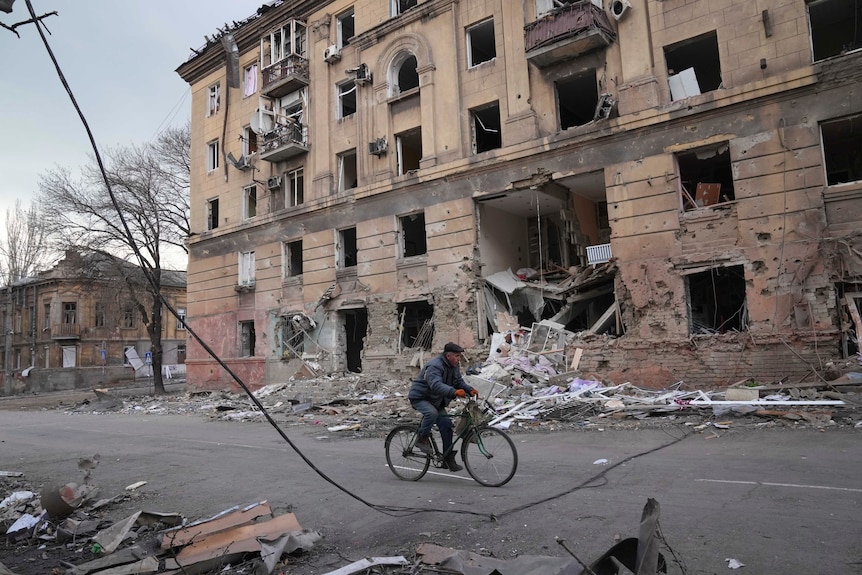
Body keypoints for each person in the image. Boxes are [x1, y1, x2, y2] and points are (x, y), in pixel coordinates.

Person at [408, 342, 479, 472]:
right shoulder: (435, 366)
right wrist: (454, 392)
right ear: (448, 355)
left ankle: (448, 458)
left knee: (446, 425)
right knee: (432, 413)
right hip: (421, 397)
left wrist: (470, 390)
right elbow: (435, 385)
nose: (459, 359)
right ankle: (422, 438)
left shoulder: (454, 366)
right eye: (457, 356)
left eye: (459, 356)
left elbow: (458, 382)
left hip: (436, 400)